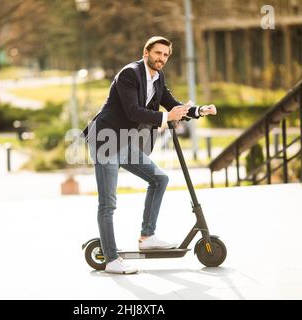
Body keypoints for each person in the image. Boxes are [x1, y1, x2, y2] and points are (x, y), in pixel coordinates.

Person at [82, 36, 217, 274]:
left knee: (159, 179)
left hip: (123, 141)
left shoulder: (157, 77)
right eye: (158, 53)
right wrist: (167, 118)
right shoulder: (129, 74)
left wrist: (198, 110)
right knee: (108, 204)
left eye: (166, 55)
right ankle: (111, 260)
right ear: (146, 53)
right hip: (106, 139)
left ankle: (147, 236)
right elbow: (134, 112)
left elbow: (171, 104)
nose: (161, 58)